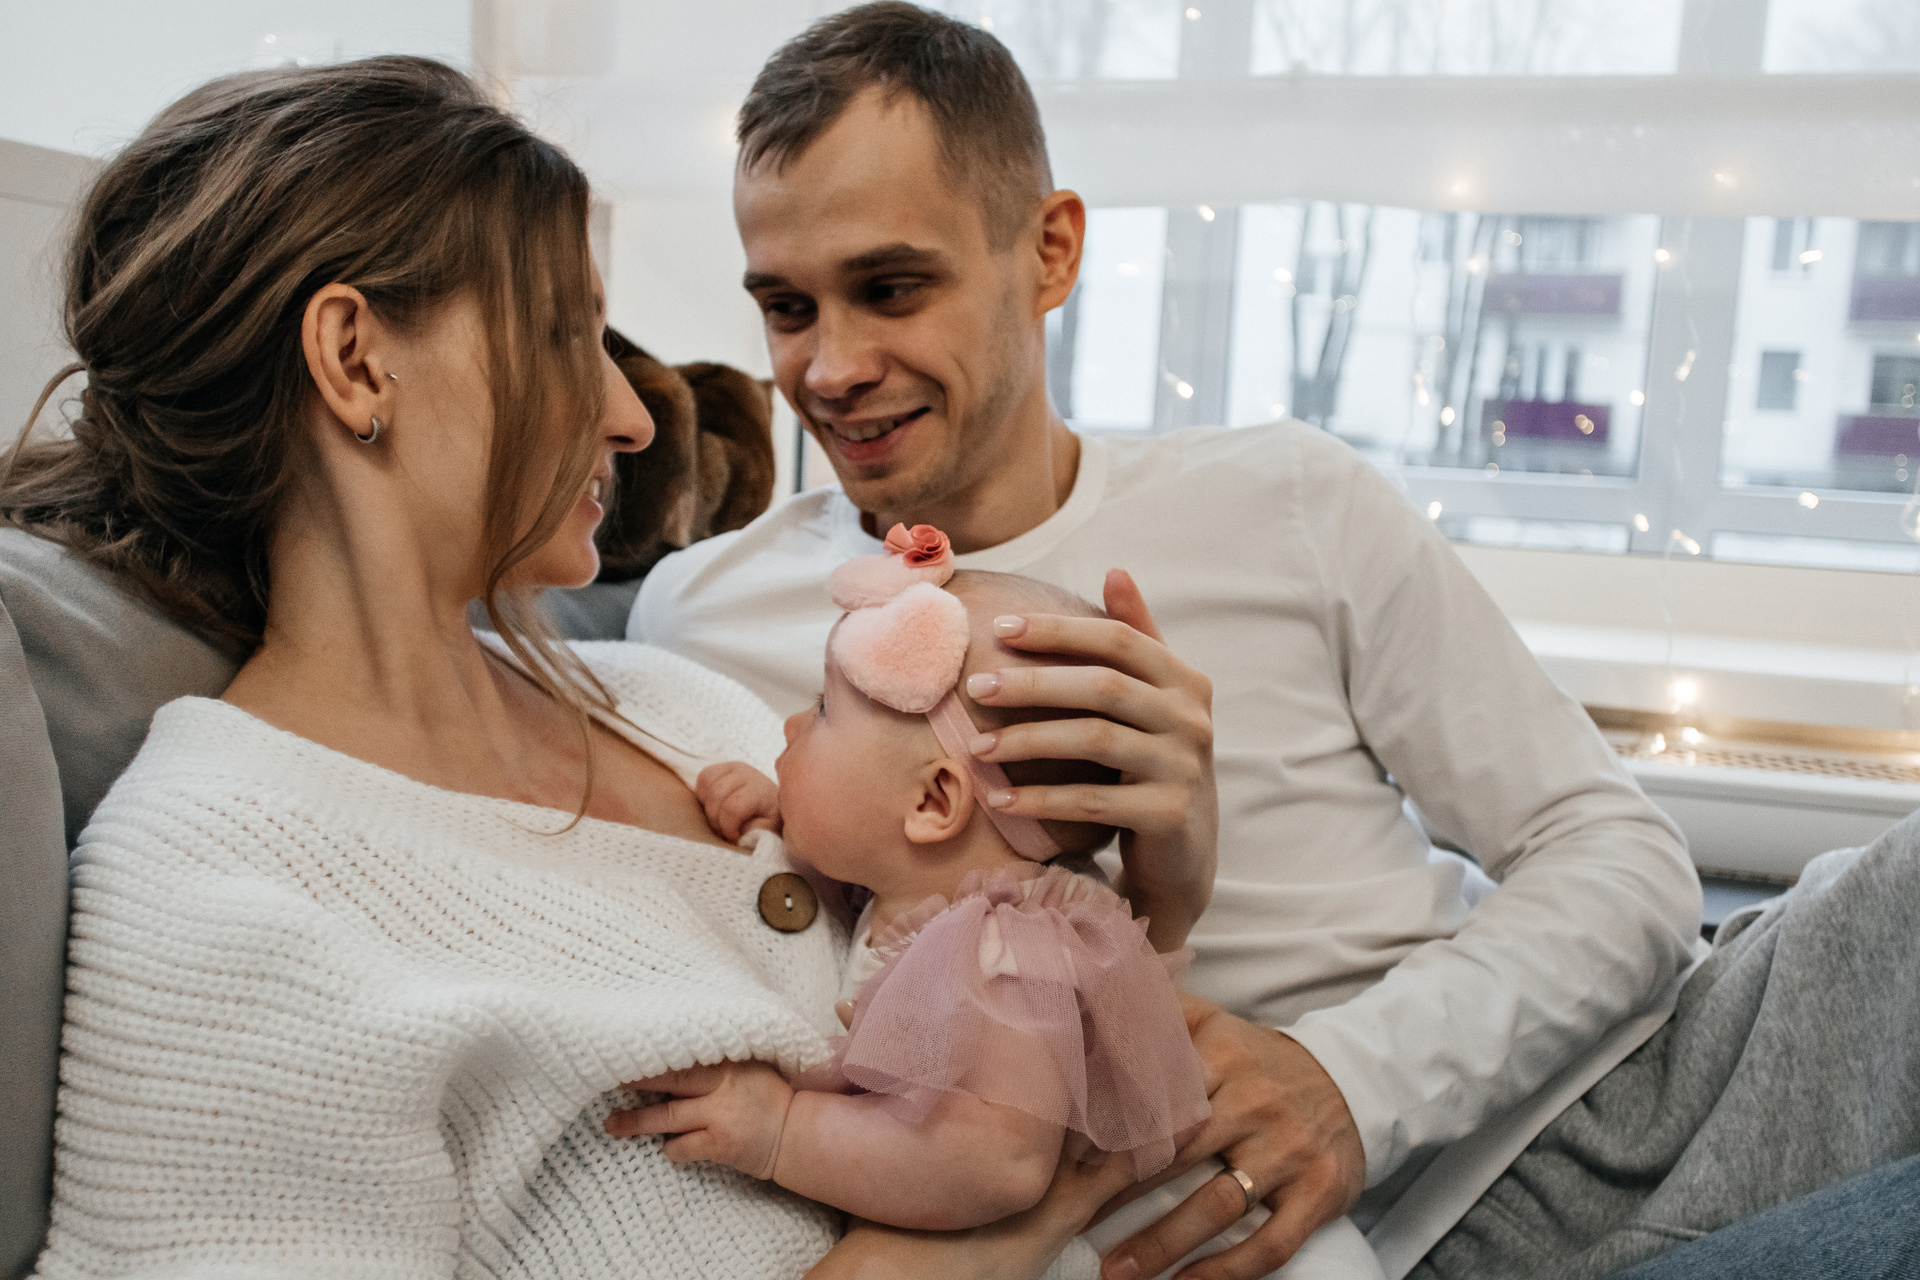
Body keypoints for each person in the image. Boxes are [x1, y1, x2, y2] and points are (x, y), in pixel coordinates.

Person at [4, 56, 1219, 1278]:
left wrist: (1171, 898)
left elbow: (981, 979)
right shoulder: (215, 890)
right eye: (563, 334)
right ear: (357, 360)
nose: (633, 416)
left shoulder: (678, 706)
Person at [628, 4, 1711, 1275]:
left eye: (891, 287)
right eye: (785, 306)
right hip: (1300, 1235)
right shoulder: (703, 615)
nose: (829, 367)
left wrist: (1349, 1081)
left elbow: (1623, 857)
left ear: (1050, 251)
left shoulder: (1289, 496)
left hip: (1590, 1093)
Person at [605, 532, 1212, 1241]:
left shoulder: (1007, 959)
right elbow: (864, 871)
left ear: (933, 803)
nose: (793, 724)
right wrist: (784, 815)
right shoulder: (927, 890)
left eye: (824, 711)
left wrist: (782, 1132)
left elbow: (994, 1165)